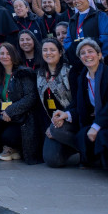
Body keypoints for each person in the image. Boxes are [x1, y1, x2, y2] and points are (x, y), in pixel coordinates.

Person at [70, 38, 108, 173]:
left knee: (103, 135)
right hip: (96, 119)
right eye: (83, 53)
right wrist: (66, 114)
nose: (87, 55)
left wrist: (96, 126)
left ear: (99, 55)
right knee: (81, 135)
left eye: (90, 51)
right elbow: (79, 103)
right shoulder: (83, 78)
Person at [38, 38, 79, 168]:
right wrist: (48, 126)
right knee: (52, 161)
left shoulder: (70, 71)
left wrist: (65, 115)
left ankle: (85, 149)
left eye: (52, 50)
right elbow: (41, 106)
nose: (48, 53)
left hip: (71, 119)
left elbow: (77, 101)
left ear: (60, 53)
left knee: (57, 132)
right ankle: (70, 149)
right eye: (45, 50)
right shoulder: (39, 74)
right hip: (53, 123)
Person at [63, 0, 108, 73]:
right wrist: (79, 57)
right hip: (80, 64)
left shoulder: (100, 16)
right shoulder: (73, 20)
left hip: (100, 63)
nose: (77, 1)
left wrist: (97, 57)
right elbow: (67, 42)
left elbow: (106, 38)